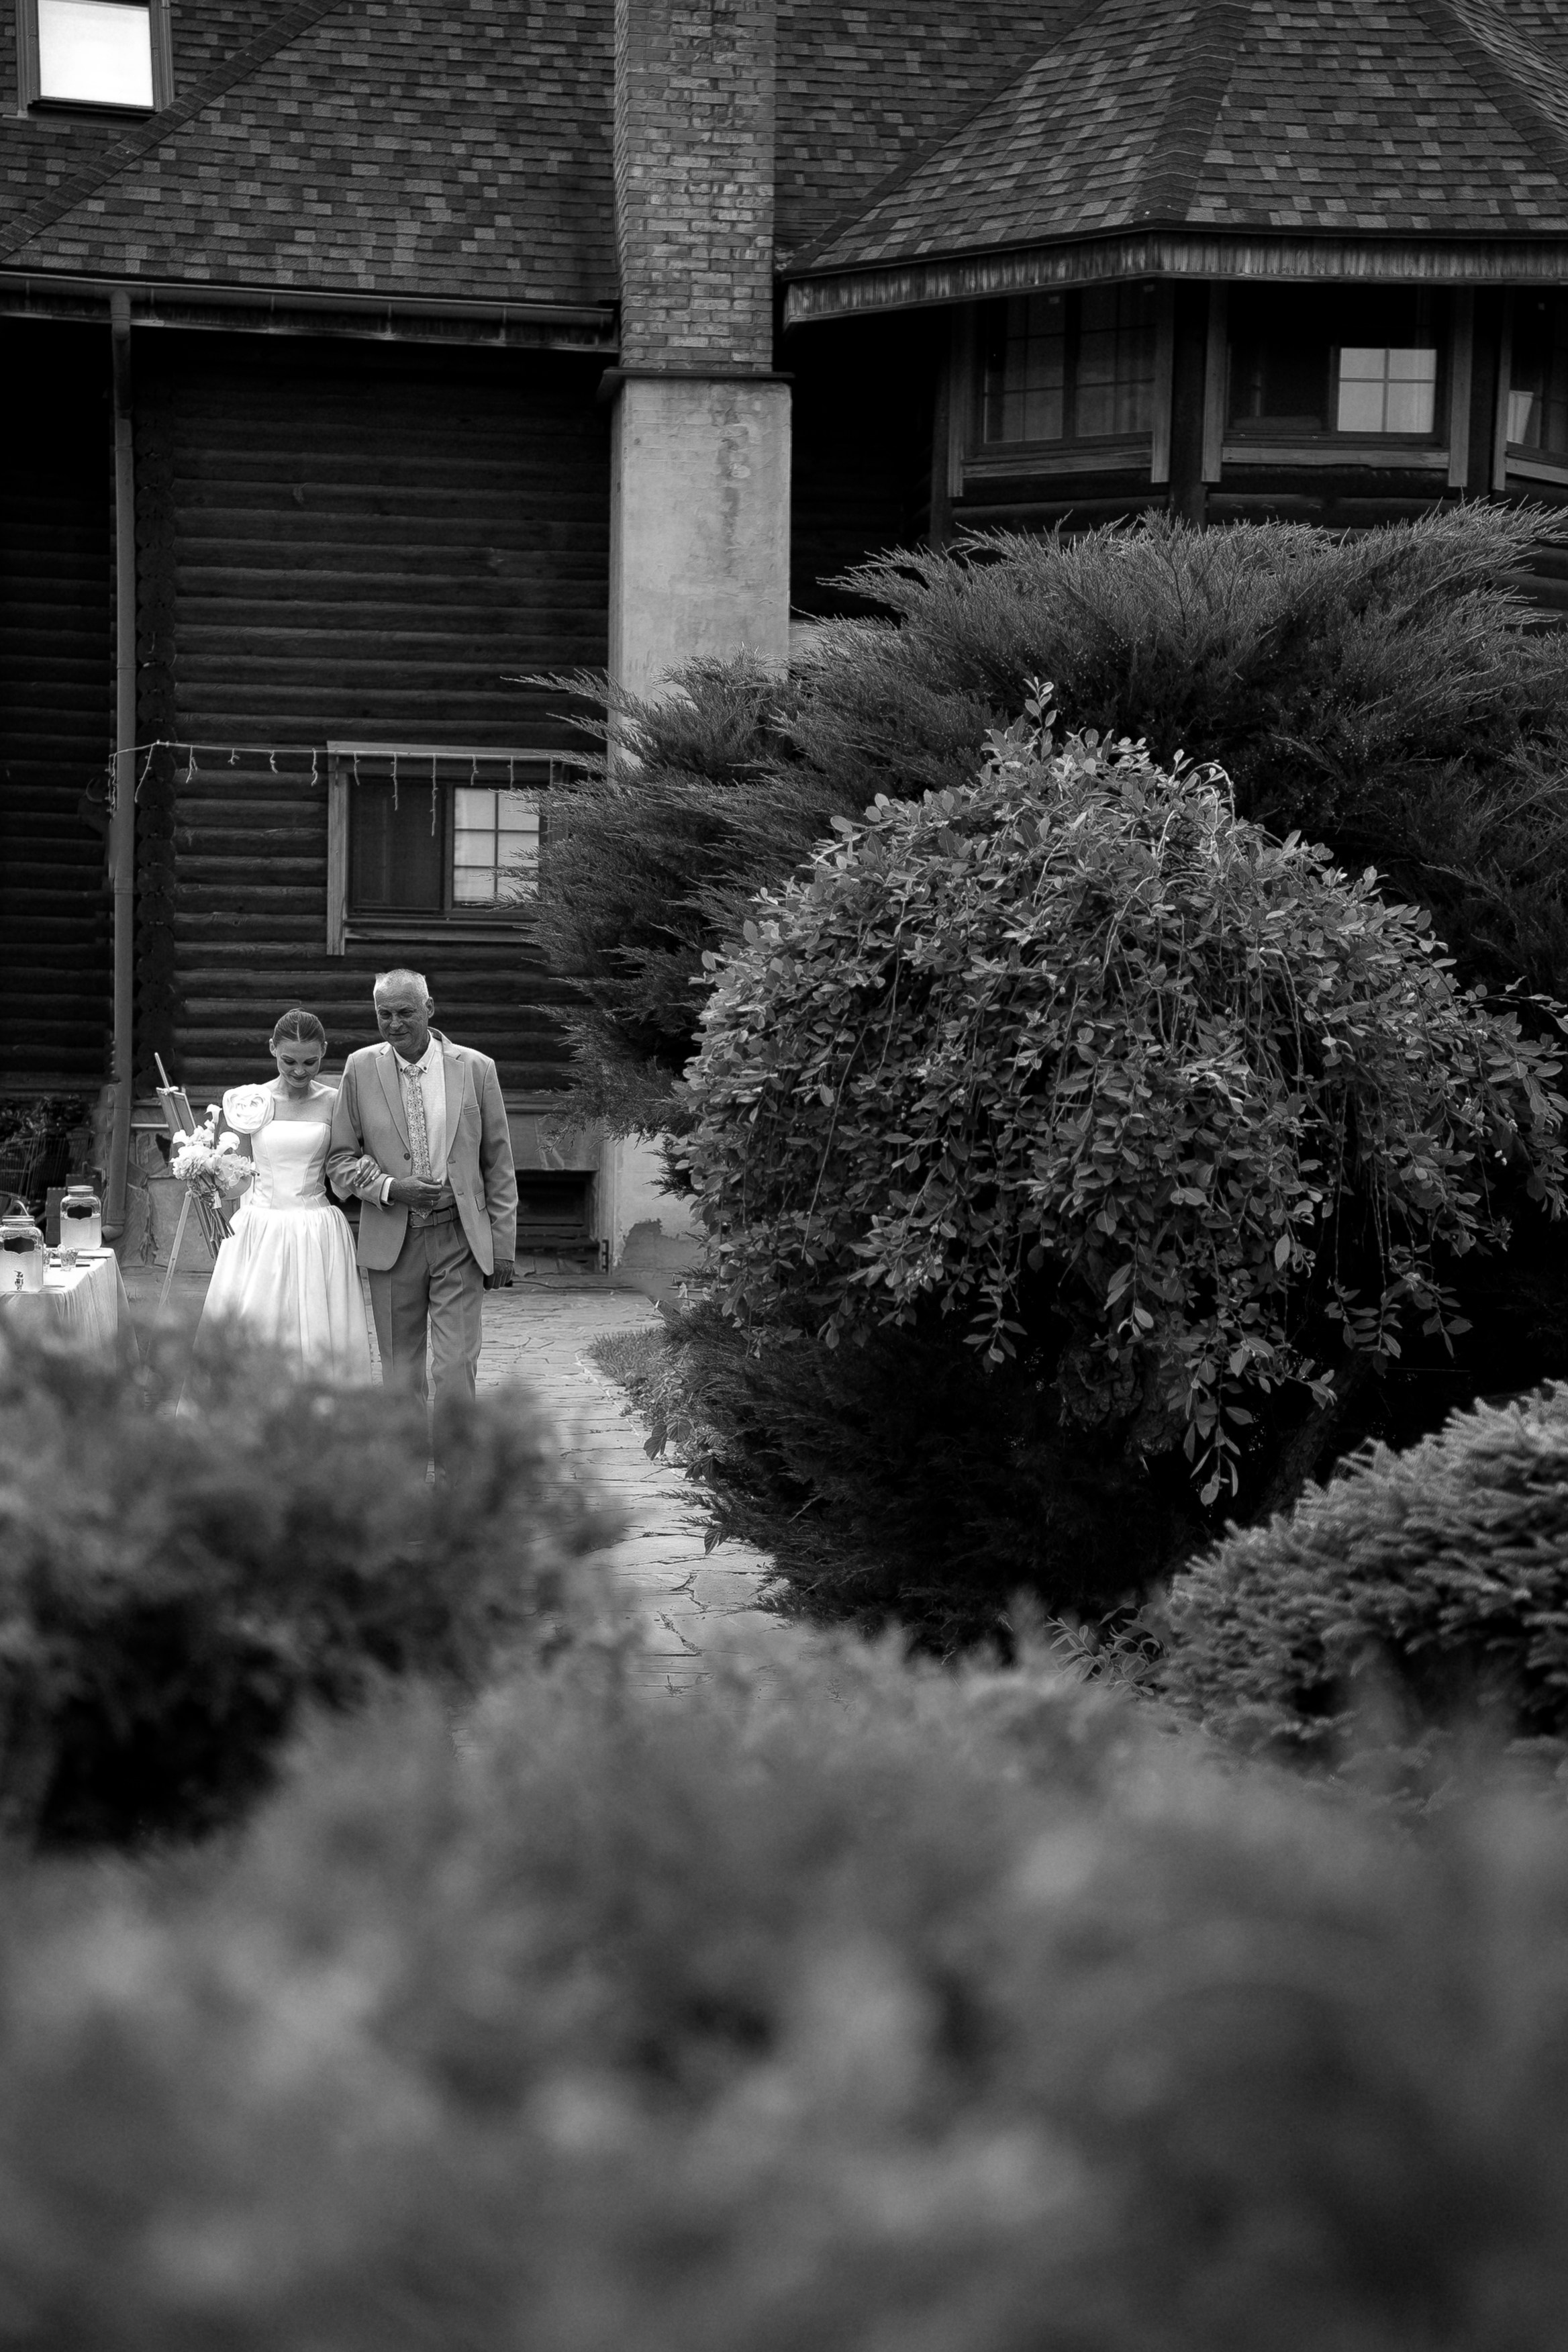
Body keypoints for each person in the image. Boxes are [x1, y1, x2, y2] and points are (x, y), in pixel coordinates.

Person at [326, 969, 517, 1438]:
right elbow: (340, 1161)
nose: (393, 1023)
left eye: (405, 1012)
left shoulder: (476, 1068)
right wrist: (393, 1188)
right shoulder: (360, 1068)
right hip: (394, 1240)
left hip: (459, 1239)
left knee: (455, 1369)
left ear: (429, 1010)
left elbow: (499, 1164)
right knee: (400, 1373)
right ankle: (406, 1482)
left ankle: (456, 1480)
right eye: (383, 1014)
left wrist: (503, 1245)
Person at [197, 1007, 374, 1379]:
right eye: (289, 1060)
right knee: (253, 1324)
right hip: (259, 1227)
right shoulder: (249, 1102)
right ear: (272, 1049)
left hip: (317, 1228)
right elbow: (241, 1181)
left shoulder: (335, 1100)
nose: (299, 1071)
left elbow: (340, 1185)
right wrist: (207, 1171)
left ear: (324, 1051)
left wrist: (362, 1170)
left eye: (311, 1062)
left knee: (319, 1333)